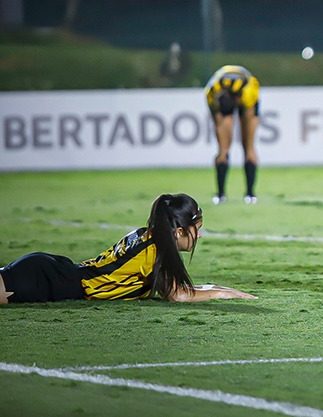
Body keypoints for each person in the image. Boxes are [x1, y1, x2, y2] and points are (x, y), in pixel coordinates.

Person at [0, 193, 256, 304]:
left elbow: (179, 289)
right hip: (52, 280)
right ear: (179, 231)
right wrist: (223, 294)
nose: (199, 235)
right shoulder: (153, 250)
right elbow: (178, 295)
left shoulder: (149, 237)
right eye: (196, 228)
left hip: (56, 272)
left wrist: (216, 288)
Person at [204, 65, 261, 205]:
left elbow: (249, 119)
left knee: (249, 147)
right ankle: (221, 194)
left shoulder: (250, 92)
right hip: (221, 98)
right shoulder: (212, 92)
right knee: (223, 149)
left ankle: (250, 193)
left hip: (247, 95)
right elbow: (217, 121)